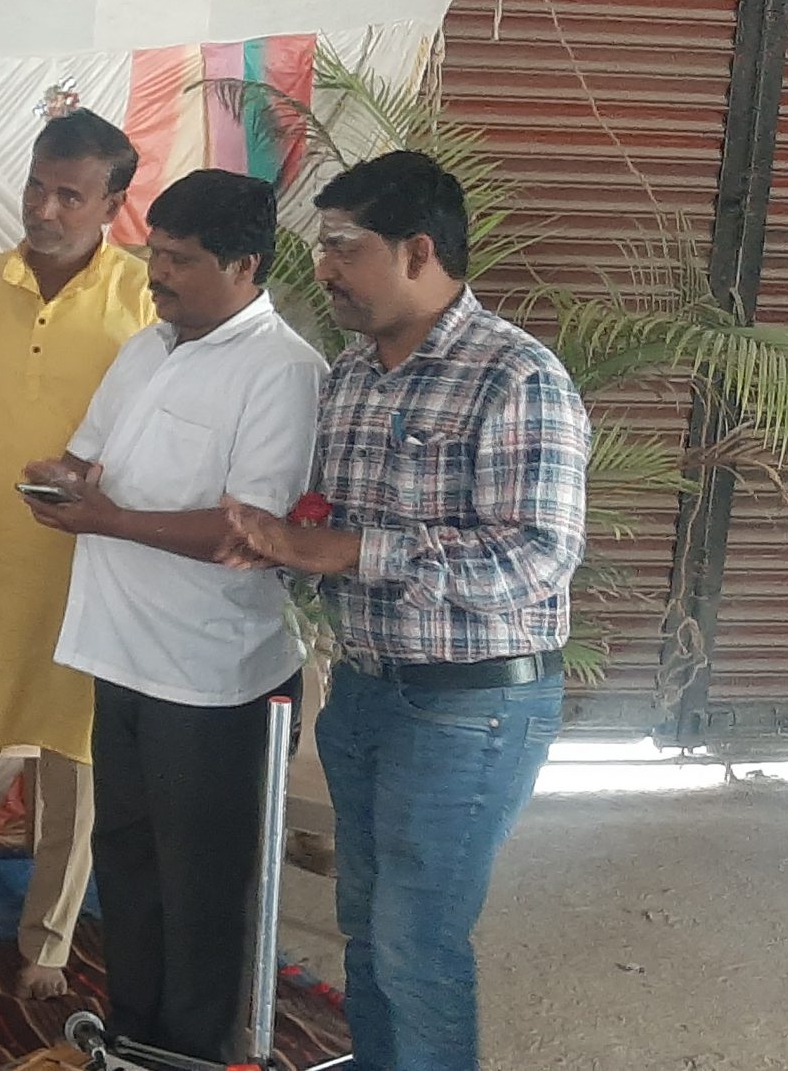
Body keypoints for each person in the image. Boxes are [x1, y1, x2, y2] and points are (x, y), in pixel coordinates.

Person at [221, 151, 588, 1071]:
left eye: (344, 246)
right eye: (322, 247)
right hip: (366, 690)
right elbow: (329, 524)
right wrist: (283, 543)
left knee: (418, 943)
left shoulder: (516, 376)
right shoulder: (351, 374)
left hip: (470, 705)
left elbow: (538, 557)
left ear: (418, 251)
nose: (324, 268)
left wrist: (351, 550)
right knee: (369, 932)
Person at [20, 170, 326, 1060]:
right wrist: (61, 480)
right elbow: (90, 461)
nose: (156, 274)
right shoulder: (144, 349)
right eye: (154, 253)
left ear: (246, 264)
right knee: (127, 858)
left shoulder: (283, 373)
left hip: (213, 672)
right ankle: (133, 1038)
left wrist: (107, 519)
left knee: (202, 885)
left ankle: (196, 1052)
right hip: (120, 649)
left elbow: (249, 530)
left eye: (180, 260)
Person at [0, 108, 156, 996]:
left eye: (70, 196)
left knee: (75, 761)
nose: (45, 209)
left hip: (94, 567)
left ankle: (47, 943)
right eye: (37, 187)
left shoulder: (144, 298)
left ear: (113, 206)